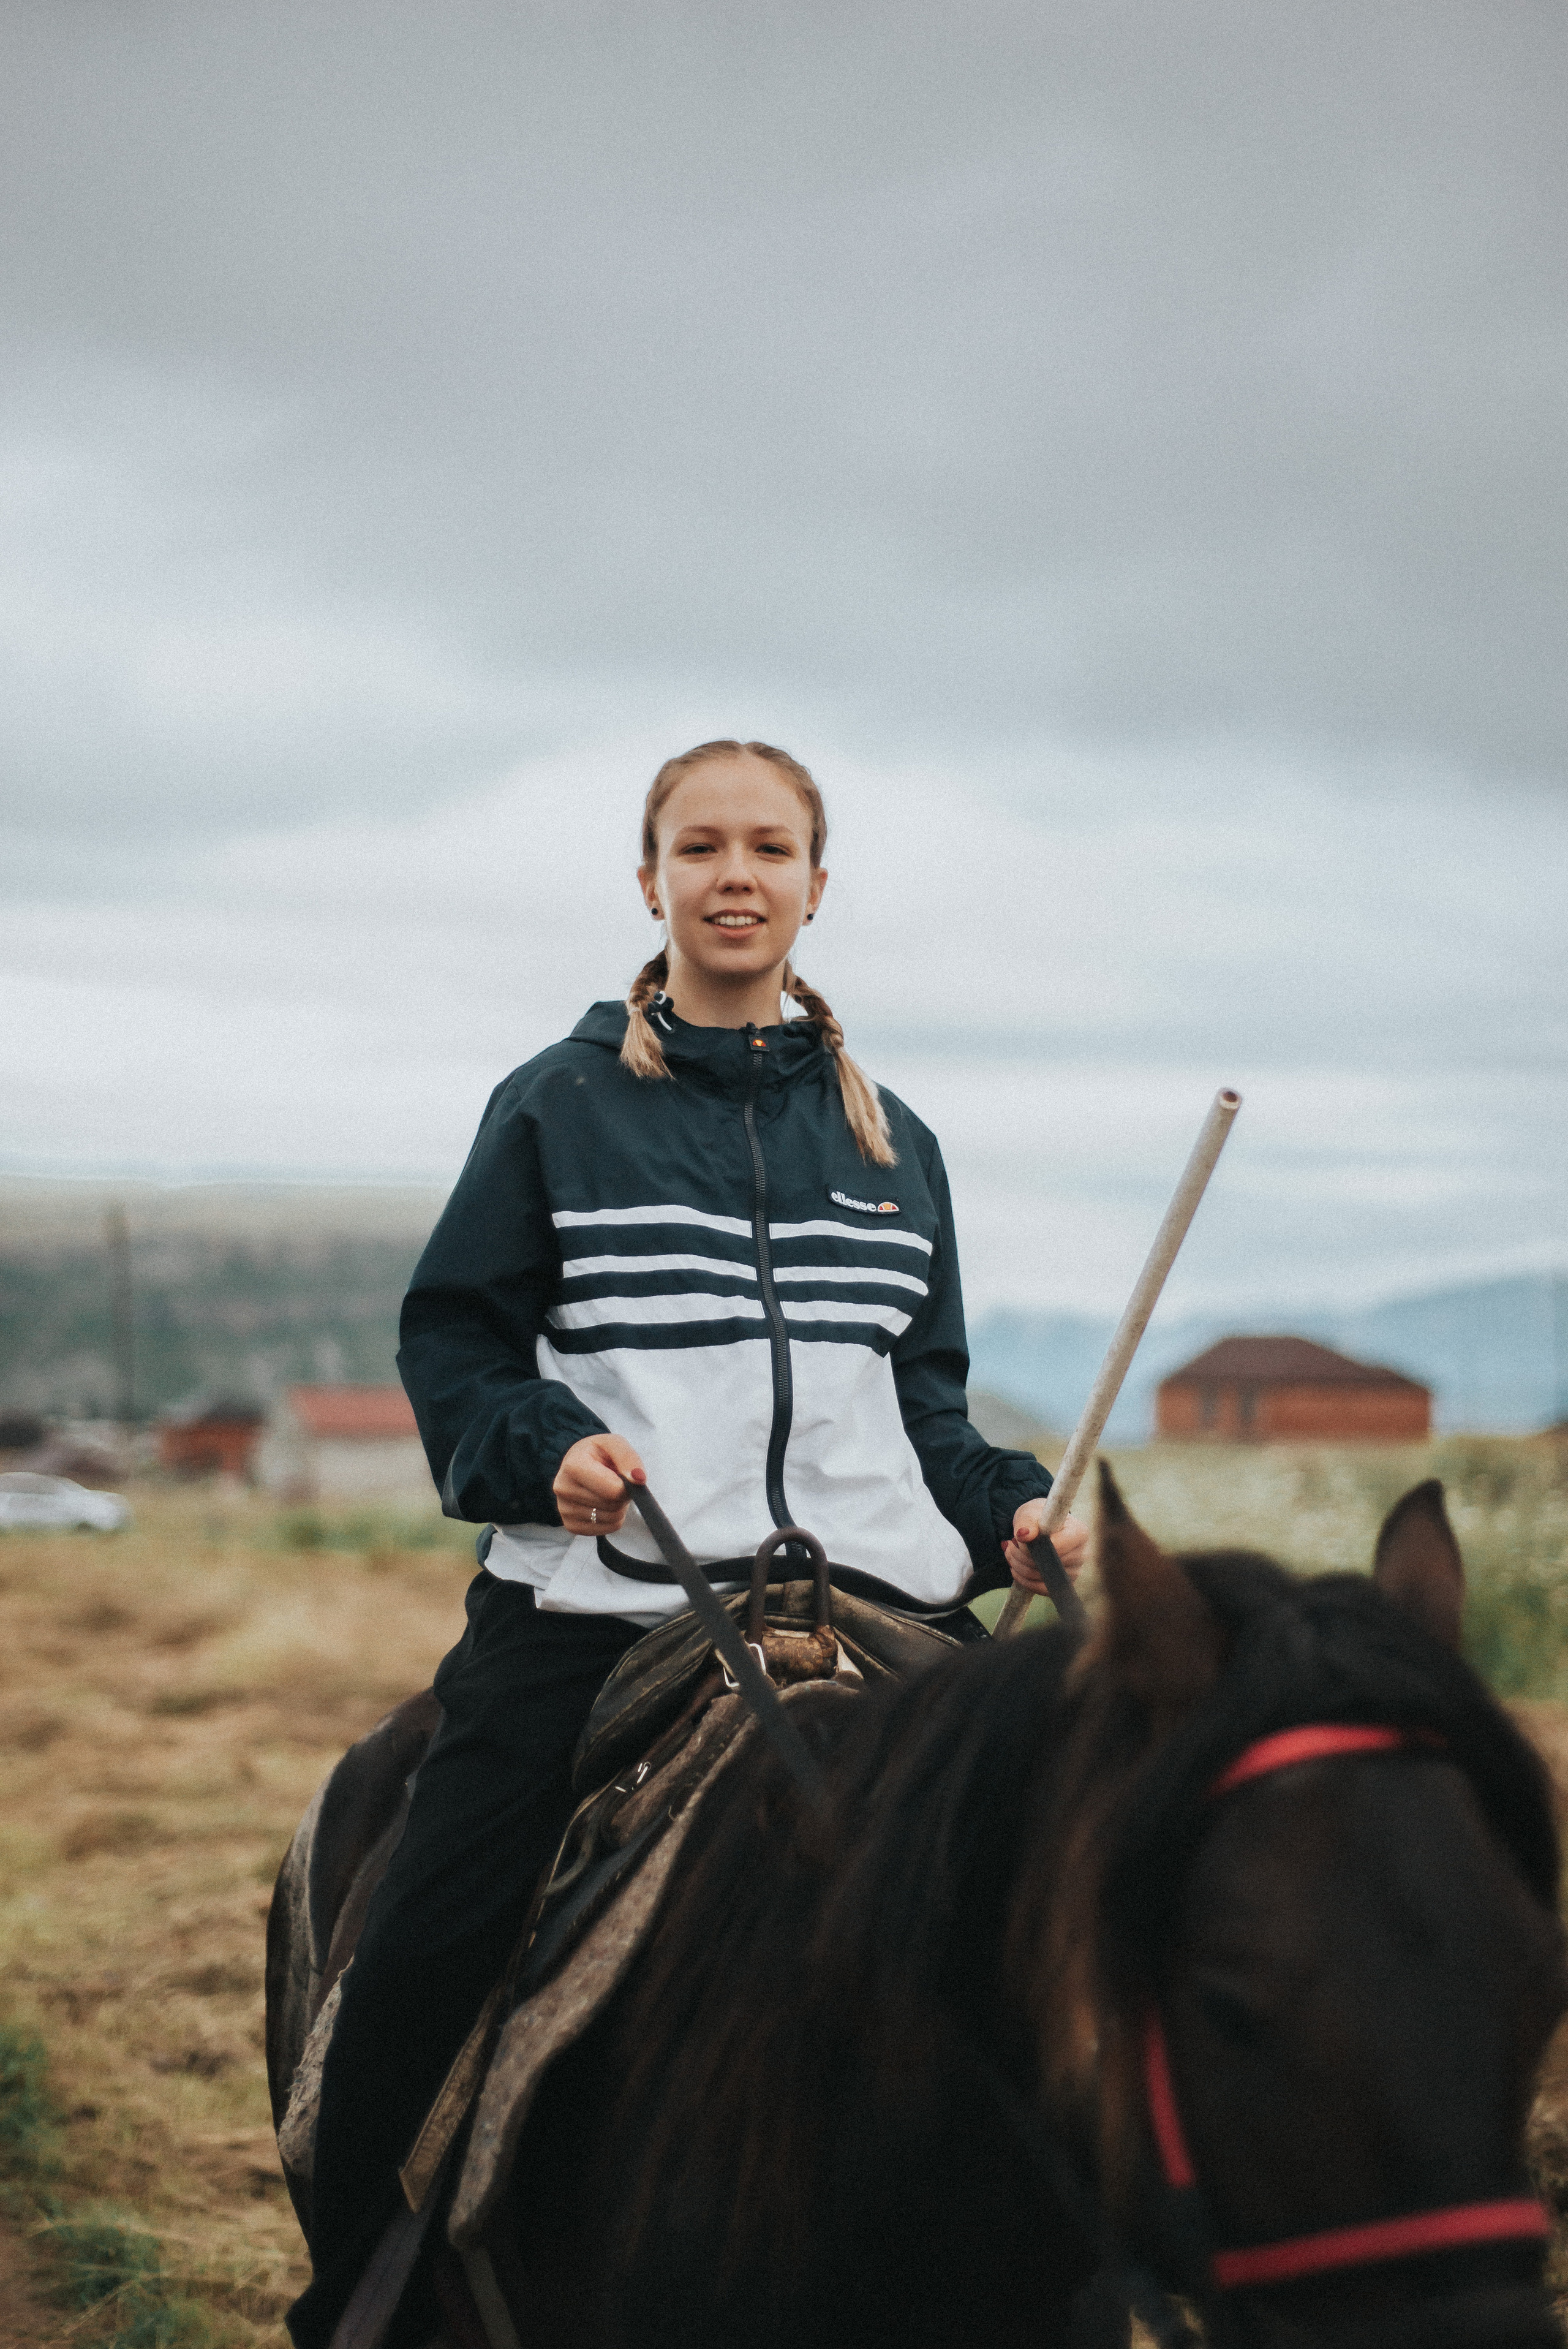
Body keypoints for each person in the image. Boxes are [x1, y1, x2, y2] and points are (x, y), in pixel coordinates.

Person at [286, 738, 1087, 2348]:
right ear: (649, 881)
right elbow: (457, 1343)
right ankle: (367, 2292)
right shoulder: (555, 1106)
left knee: (1084, 1899)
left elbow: (921, 1402)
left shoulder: (896, 1142)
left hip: (883, 1602)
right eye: (702, 846)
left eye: (769, 848)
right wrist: (541, 1453)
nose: (736, 875)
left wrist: (1006, 1506)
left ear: (816, 885)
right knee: (430, 1935)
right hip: (603, 1608)